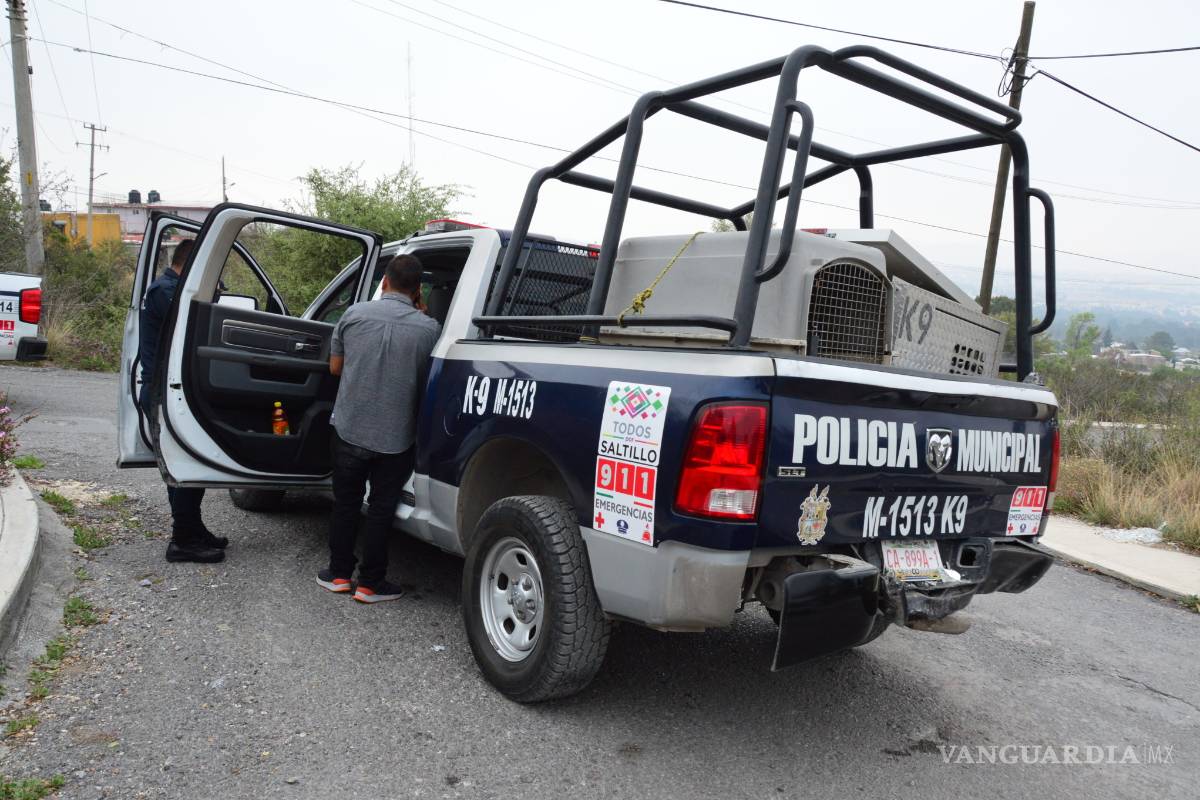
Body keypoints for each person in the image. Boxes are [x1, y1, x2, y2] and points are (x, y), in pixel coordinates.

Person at [318, 255, 439, 603]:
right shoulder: (430, 329)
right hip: (397, 437)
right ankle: (371, 583)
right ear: (418, 290)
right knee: (382, 507)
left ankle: (339, 574)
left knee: (346, 502)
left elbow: (335, 368)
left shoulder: (353, 315)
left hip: (350, 428)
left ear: (384, 281)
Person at [138, 238, 226, 564]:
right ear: (190, 264)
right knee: (185, 465)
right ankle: (183, 540)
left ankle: (192, 528)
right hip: (165, 392)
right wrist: (212, 292)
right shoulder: (165, 291)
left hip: (172, 389)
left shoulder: (171, 289)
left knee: (188, 464)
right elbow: (192, 323)